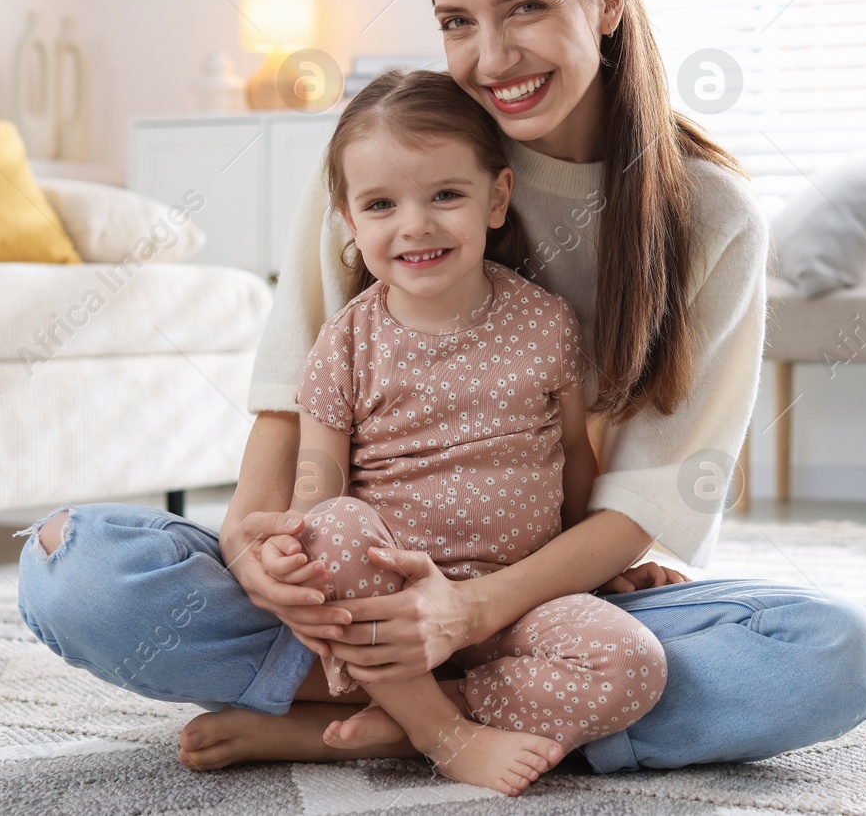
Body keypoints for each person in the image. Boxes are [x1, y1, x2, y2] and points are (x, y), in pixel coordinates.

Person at [15, 0, 866, 775]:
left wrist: (468, 612)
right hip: (360, 577)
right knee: (73, 570)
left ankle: (374, 718)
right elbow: (291, 401)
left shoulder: (711, 217)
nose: (493, 57)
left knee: (833, 655)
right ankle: (476, 710)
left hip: (545, 591)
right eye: (457, 22)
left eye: (527, 8)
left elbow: (644, 502)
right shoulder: (389, 161)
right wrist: (248, 537)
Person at [272, 67, 666, 795]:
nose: (415, 224)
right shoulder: (345, 340)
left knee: (635, 664)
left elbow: (574, 463)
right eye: (382, 204)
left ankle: (400, 721)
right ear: (349, 220)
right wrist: (296, 548)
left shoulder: (548, 324)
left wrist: (600, 564)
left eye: (445, 194)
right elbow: (316, 482)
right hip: (387, 609)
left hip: (517, 604)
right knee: (332, 525)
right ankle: (441, 733)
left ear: (497, 198)